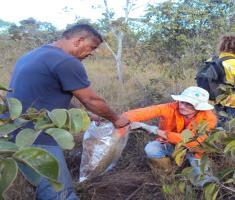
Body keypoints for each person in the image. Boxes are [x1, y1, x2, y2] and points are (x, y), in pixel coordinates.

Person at [7, 24, 129, 200]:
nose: (92, 53)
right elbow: (91, 100)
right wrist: (116, 118)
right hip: (38, 136)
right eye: (92, 47)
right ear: (78, 40)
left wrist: (88, 116)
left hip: (14, 134)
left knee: (38, 187)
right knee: (61, 195)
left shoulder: (33, 55)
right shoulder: (66, 61)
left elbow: (47, 95)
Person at [124, 86, 217, 185]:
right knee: (152, 148)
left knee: (203, 183)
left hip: (195, 151)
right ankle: (168, 174)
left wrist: (154, 130)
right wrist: (121, 118)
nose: (182, 106)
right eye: (181, 102)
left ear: (199, 107)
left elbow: (192, 141)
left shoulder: (209, 118)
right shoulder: (171, 107)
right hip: (170, 144)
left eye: (189, 104)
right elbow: (147, 111)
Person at [197, 35, 235, 123]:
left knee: (223, 131)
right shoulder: (232, 63)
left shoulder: (213, 60)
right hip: (233, 104)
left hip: (218, 103)